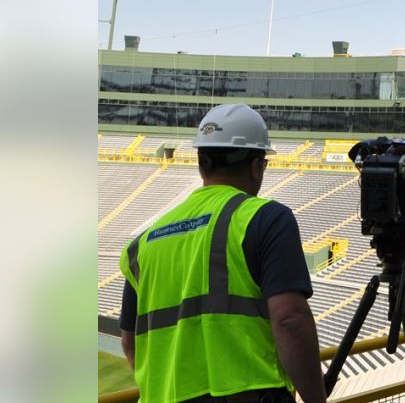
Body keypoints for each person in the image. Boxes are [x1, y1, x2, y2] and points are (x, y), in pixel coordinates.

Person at [119, 103, 326, 403]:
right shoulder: (265, 218)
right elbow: (289, 320)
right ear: (257, 166)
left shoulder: (143, 243)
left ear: (202, 162)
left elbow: (130, 344)